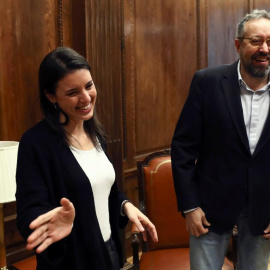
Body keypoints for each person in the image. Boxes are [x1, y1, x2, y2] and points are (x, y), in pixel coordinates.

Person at [16, 46, 158, 270]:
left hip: (109, 251)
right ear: (51, 96)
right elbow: (29, 213)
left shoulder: (95, 132)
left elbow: (103, 190)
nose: (86, 98)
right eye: (72, 93)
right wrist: (56, 221)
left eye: (89, 86)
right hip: (72, 261)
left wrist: (125, 206)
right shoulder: (36, 143)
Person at [171, 9, 270, 270]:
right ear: (238, 45)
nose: (265, 48)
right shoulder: (207, 82)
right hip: (209, 209)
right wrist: (190, 206)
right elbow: (182, 149)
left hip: (263, 210)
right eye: (256, 40)